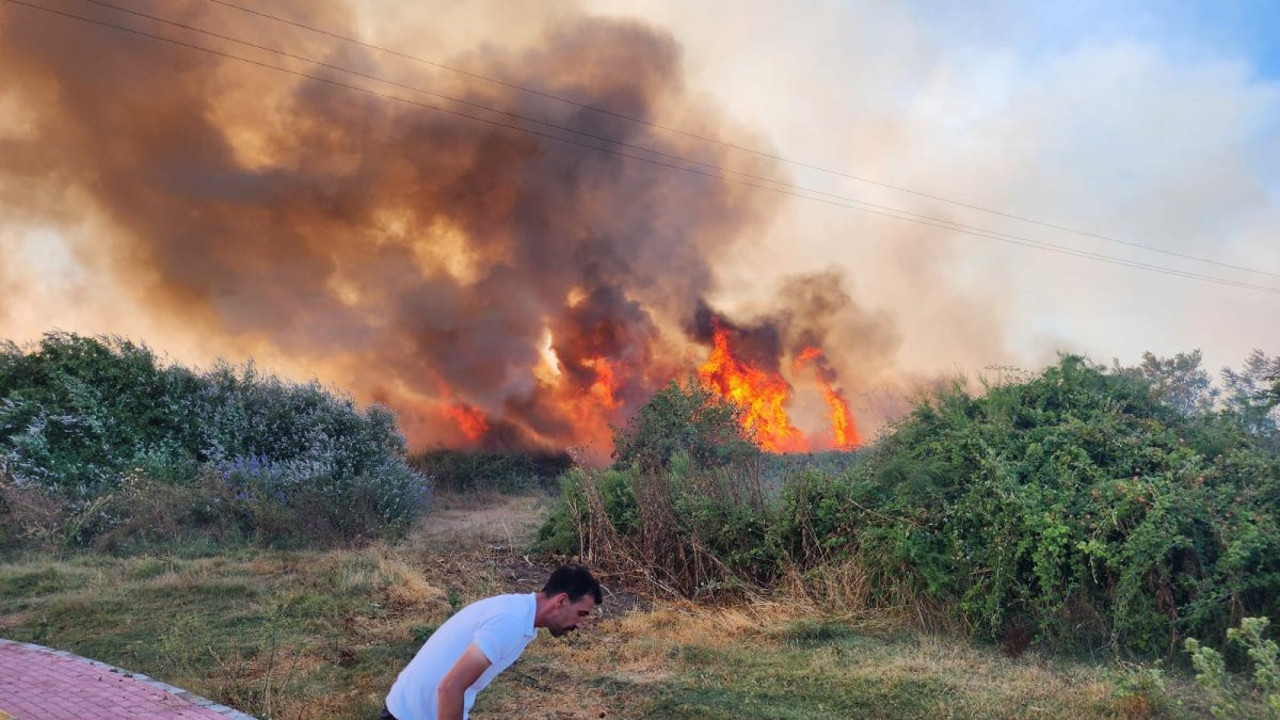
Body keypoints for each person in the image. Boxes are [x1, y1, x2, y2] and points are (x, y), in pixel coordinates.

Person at [380, 564, 602, 720]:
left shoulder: (520, 613)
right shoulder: (510, 622)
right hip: (410, 714)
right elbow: (450, 688)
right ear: (561, 600)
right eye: (581, 613)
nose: (580, 623)